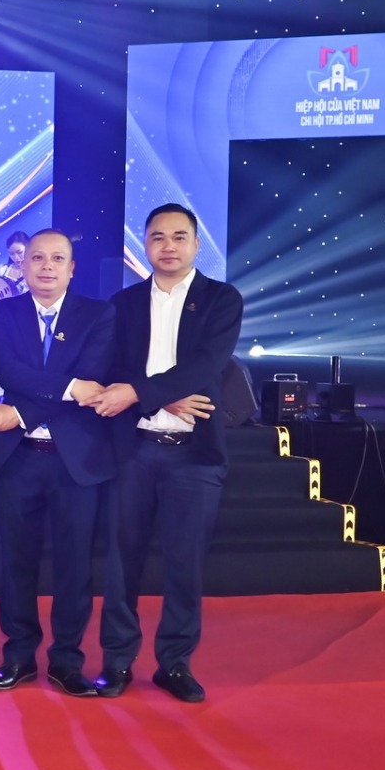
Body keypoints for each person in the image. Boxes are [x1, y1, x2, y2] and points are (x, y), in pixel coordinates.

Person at [84, 203, 243, 703]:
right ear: (145, 244)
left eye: (178, 237)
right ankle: (116, 662)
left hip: (194, 455)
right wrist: (160, 397)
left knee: (185, 564)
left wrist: (141, 391)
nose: (168, 246)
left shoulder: (221, 299)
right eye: (157, 237)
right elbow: (110, 369)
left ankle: (174, 664)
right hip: (131, 449)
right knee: (120, 563)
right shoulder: (123, 303)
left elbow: (206, 365)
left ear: (196, 244)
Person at [0, 229, 114, 699]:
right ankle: (17, 657)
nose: (47, 266)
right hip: (18, 459)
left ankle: (67, 661)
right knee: (16, 562)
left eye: (58, 259)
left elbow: (92, 380)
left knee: (75, 565)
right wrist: (69, 388)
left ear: (72, 268)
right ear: (23, 265)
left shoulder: (98, 314)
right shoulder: (1, 314)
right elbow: (9, 371)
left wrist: (21, 411)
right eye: (38, 258)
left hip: (77, 462)